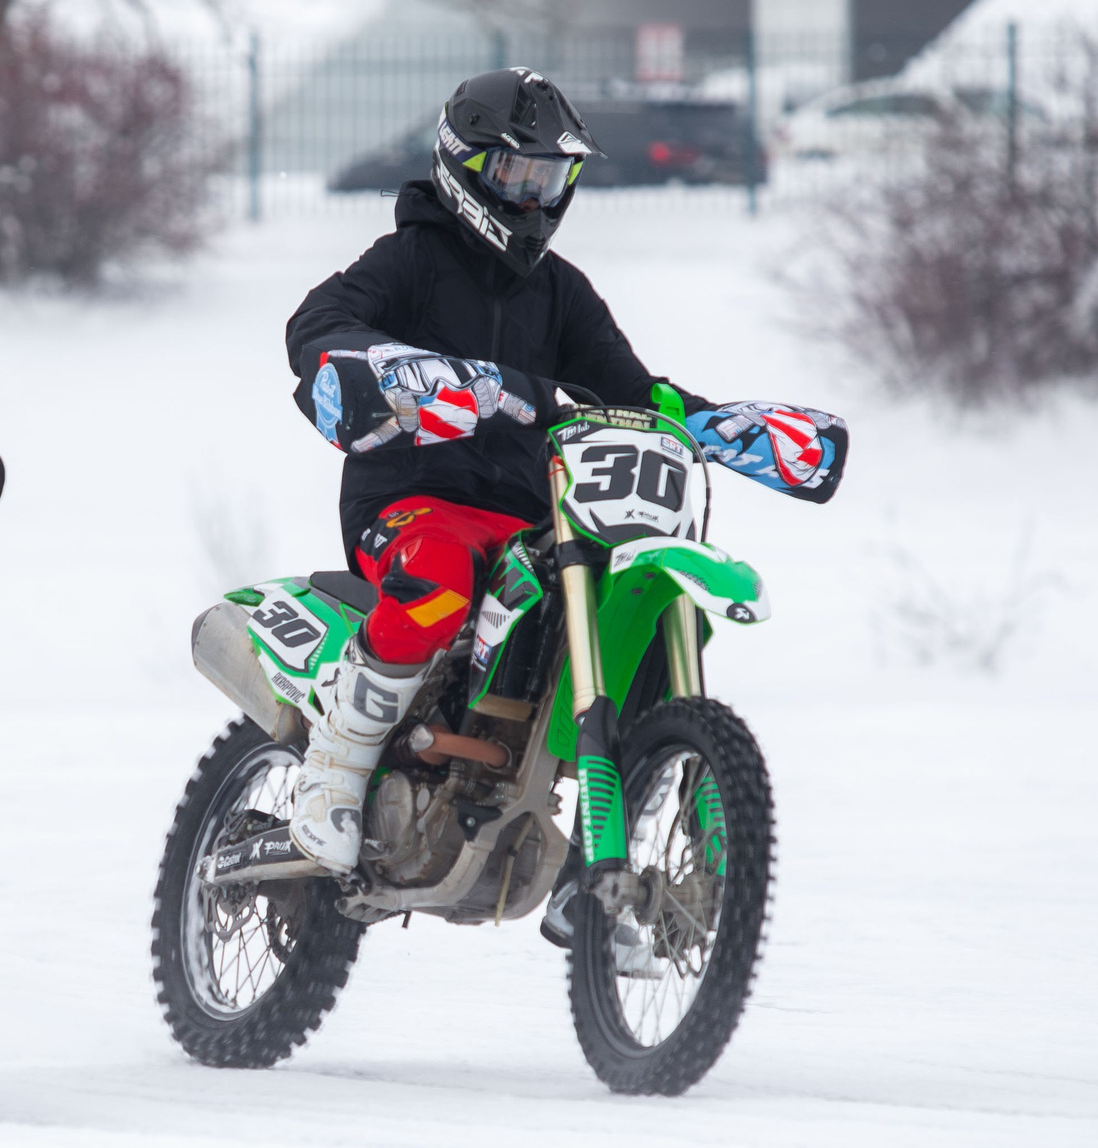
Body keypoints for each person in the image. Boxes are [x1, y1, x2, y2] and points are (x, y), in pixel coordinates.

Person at [283, 67, 849, 909]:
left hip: (533, 521)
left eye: (550, 178)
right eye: (516, 175)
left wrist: (715, 425)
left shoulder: (561, 292)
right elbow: (319, 325)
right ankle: (332, 770)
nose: (533, 196)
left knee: (654, 608)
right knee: (440, 576)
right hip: (413, 504)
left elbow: (628, 391)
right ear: (465, 168)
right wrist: (429, 378)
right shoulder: (409, 262)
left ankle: (599, 856)